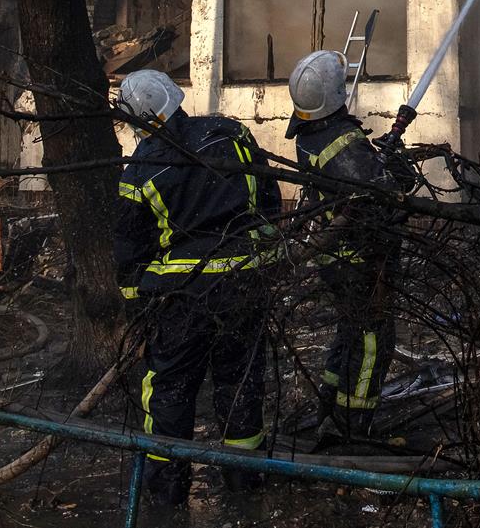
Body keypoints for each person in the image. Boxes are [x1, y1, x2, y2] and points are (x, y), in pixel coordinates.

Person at [114, 69, 279, 506]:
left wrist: (137, 312)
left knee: (169, 389)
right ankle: (244, 486)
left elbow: (130, 253)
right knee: (240, 381)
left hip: (182, 301)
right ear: (174, 98)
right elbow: (269, 202)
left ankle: (167, 495)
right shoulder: (230, 133)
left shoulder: (139, 170)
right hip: (245, 284)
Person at [287, 49, 403, 439]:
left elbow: (353, 182)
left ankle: (330, 402)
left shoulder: (309, 133)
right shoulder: (342, 139)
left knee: (349, 332)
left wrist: (377, 158)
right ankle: (353, 423)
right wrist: (395, 172)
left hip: (337, 260)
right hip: (363, 260)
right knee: (373, 339)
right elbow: (379, 202)